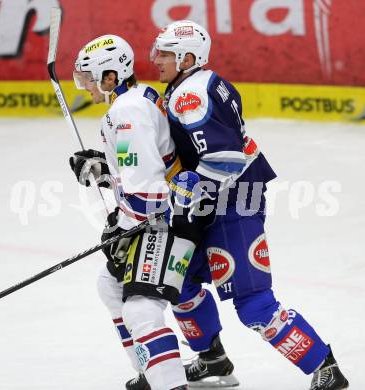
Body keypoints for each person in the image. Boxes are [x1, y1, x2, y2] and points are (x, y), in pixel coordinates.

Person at [149, 20, 350, 390]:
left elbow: (226, 160)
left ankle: (325, 366)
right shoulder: (193, 84)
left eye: (164, 52)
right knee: (179, 282)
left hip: (234, 200)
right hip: (214, 199)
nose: (155, 58)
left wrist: (193, 185)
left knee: (254, 303)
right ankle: (213, 359)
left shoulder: (190, 95)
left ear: (187, 57)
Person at [69, 34, 201, 390]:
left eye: (90, 77)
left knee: (141, 309)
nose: (85, 87)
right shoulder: (138, 98)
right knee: (110, 286)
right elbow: (142, 169)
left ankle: (171, 384)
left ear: (111, 77)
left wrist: (120, 226)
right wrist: (103, 170)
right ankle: (150, 371)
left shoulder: (126, 113)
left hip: (166, 221)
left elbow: (148, 194)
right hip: (161, 214)